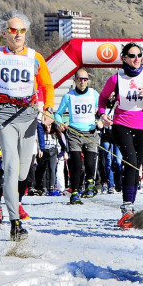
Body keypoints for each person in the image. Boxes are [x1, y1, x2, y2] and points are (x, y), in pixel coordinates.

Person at [0, 10, 55, 241]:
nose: (18, 35)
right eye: (13, 31)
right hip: (3, 115)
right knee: (12, 167)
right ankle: (15, 224)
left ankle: (5, 178)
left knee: (24, 171)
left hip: (28, 116)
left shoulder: (36, 57)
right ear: (4, 34)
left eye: (22, 31)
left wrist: (48, 111)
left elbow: (47, 86)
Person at [98, 42, 143, 223]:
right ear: (124, 58)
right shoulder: (116, 79)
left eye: (139, 55)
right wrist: (102, 115)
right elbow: (102, 99)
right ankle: (126, 205)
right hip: (121, 124)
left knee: (137, 165)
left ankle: (130, 206)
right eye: (132, 56)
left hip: (142, 126)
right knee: (131, 162)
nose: (137, 59)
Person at [54, 68, 101, 204]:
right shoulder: (69, 96)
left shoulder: (93, 94)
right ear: (75, 80)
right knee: (76, 162)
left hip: (91, 132)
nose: (82, 82)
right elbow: (58, 113)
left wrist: (101, 118)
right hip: (74, 132)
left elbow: (102, 108)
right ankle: (74, 191)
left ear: (88, 81)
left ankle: (90, 184)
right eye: (80, 79)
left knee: (90, 162)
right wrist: (59, 123)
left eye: (85, 79)